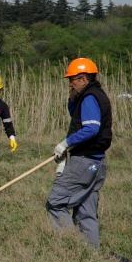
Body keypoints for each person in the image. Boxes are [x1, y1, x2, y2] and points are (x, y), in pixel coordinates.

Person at [47, 58, 112, 249]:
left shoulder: (90, 97)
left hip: (84, 161)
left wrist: (66, 143)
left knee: (55, 203)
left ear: (83, 78)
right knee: (86, 211)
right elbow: (76, 114)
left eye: (73, 79)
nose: (70, 83)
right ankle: (92, 254)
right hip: (97, 163)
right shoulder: (94, 95)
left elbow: (91, 128)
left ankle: (72, 246)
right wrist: (72, 98)